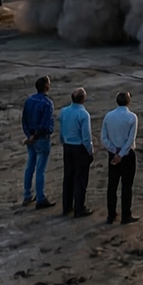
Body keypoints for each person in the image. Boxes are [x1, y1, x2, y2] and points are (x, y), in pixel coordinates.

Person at [102, 91, 139, 224]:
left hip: (113, 154)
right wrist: (122, 153)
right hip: (127, 155)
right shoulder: (132, 117)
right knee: (126, 186)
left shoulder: (108, 116)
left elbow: (104, 138)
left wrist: (114, 151)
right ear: (128, 102)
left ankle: (111, 214)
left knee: (112, 185)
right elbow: (130, 139)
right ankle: (126, 215)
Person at [21, 76, 56, 208]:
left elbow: (24, 120)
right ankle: (40, 197)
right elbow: (45, 124)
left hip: (31, 138)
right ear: (46, 87)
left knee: (30, 166)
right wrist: (34, 136)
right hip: (41, 139)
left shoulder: (29, 100)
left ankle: (27, 195)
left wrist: (29, 135)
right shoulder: (47, 103)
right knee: (40, 170)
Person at [59, 87, 95, 217]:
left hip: (67, 147)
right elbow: (86, 136)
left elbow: (61, 130)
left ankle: (66, 206)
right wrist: (90, 150)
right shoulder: (83, 114)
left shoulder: (64, 111)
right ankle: (79, 208)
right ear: (83, 99)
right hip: (79, 148)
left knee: (68, 177)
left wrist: (63, 141)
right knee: (80, 179)